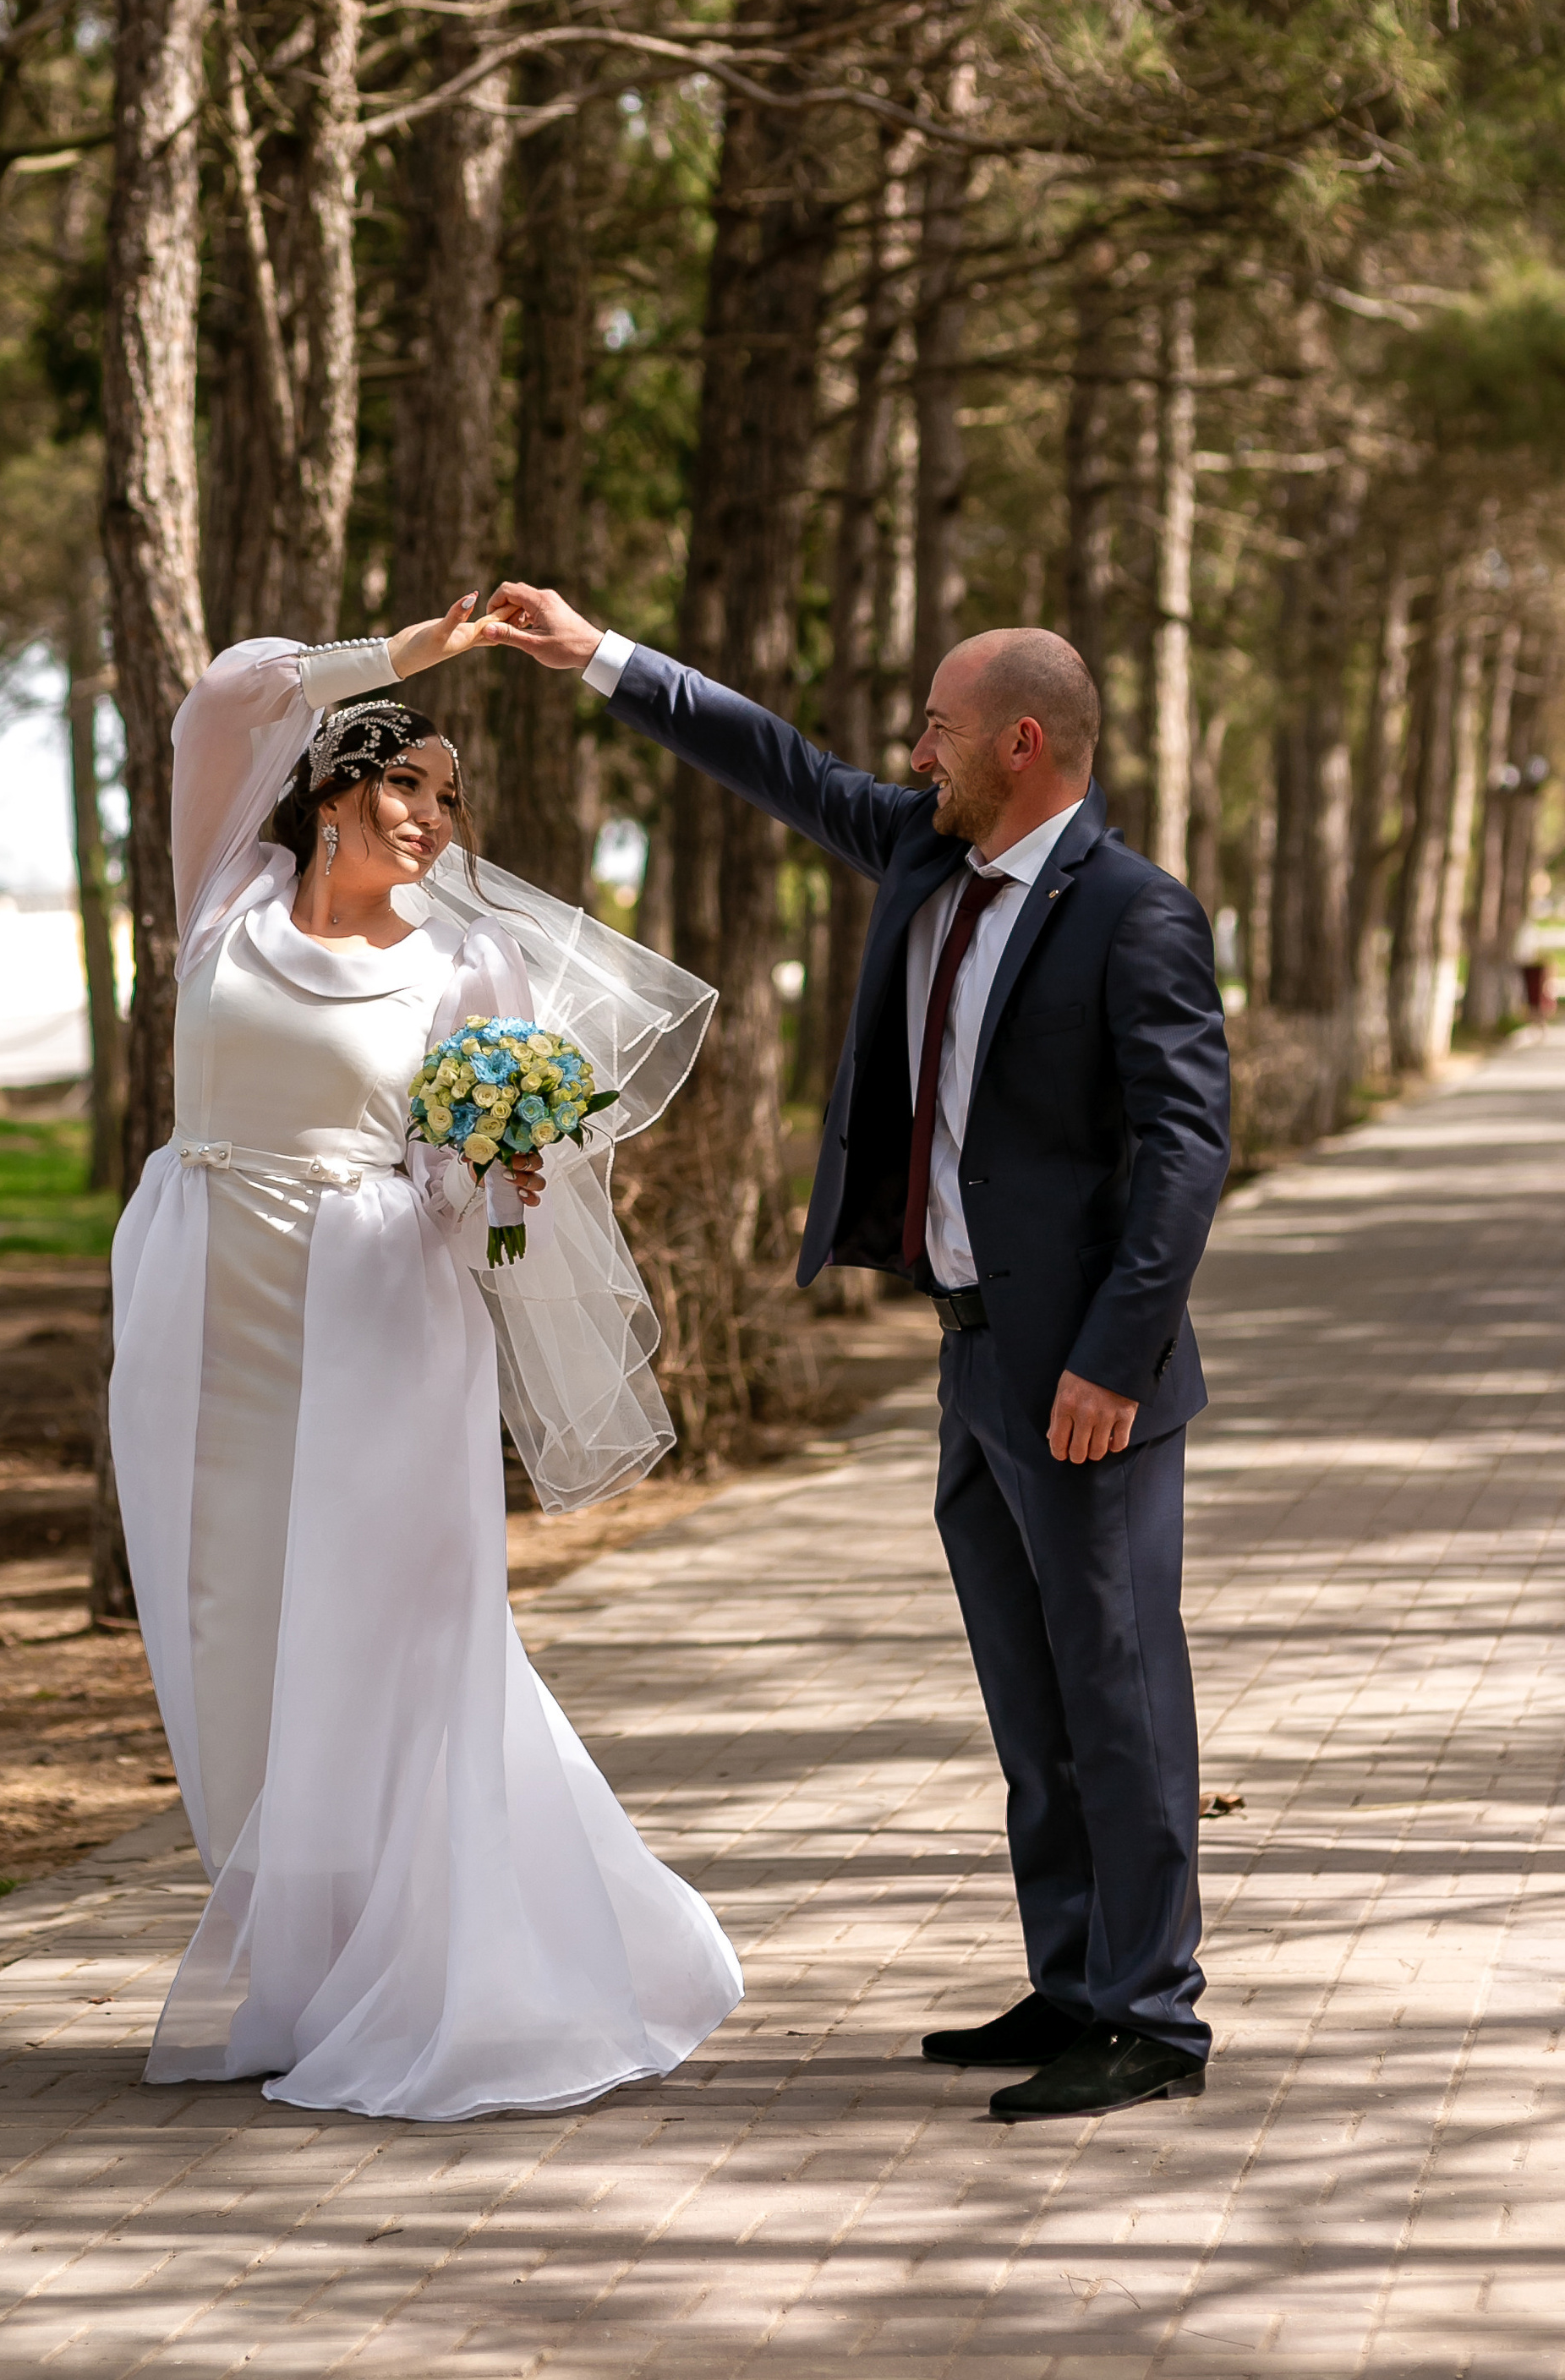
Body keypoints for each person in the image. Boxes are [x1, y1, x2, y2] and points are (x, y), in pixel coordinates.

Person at [484, 586, 1232, 2126]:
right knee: (1033, 1701)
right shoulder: (922, 853)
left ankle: (1153, 2019)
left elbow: (1183, 1152)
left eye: (940, 729)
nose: (912, 750)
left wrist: (1112, 1358)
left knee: (1122, 1693)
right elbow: (778, 759)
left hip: (1087, 1378)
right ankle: (1075, 1980)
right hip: (968, 1359)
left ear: (1022, 744)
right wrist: (605, 656)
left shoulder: (1134, 911)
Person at [108, 600, 741, 2121]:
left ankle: (446, 1962)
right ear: (332, 786)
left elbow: (484, 1204)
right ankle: (310, 1973)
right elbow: (218, 707)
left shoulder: (463, 969)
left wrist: (493, 1176)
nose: (435, 821)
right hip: (203, 1304)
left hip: (382, 1319)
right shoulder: (225, 898)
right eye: (412, 785)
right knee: (230, 1627)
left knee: (397, 1634)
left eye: (450, 803)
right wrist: (398, 656)